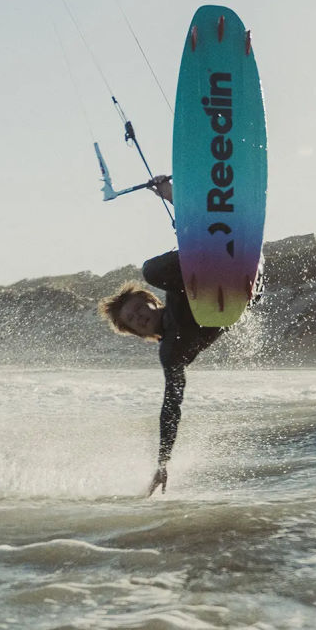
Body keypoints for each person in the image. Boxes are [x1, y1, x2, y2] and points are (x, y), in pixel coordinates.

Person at [98, 176, 226, 496]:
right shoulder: (170, 352)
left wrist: (170, 197)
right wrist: (163, 461)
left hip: (211, 274)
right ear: (135, 332)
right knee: (155, 270)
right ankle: (201, 233)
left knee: (151, 271)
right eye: (132, 320)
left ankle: (183, 205)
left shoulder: (174, 295)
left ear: (153, 302)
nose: (139, 316)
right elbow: (171, 406)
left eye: (139, 307)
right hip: (232, 298)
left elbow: (177, 265)